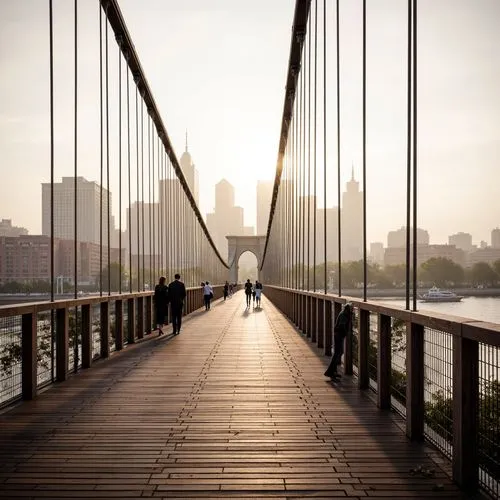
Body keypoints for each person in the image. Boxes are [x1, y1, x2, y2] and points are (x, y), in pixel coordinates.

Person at [324, 303, 352, 380]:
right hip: (339, 335)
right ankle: (330, 372)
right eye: (351, 310)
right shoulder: (344, 315)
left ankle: (334, 371)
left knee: (339, 352)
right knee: (338, 353)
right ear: (348, 309)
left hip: (338, 335)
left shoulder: (343, 312)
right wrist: (346, 332)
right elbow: (342, 325)